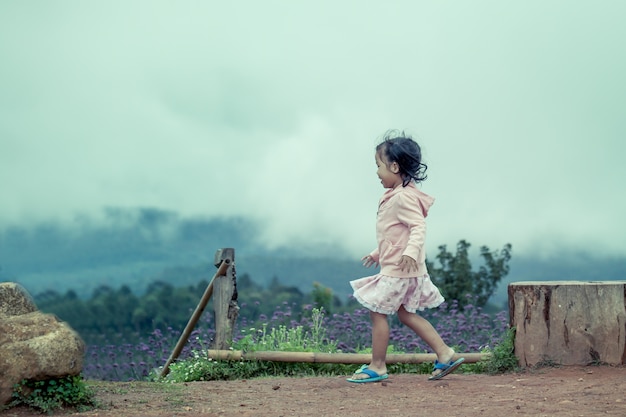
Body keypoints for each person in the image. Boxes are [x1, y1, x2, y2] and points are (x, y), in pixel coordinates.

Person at [347, 130, 464, 383]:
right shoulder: (399, 194)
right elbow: (395, 234)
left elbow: (418, 226)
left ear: (394, 166)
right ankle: (445, 353)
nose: (376, 172)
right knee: (405, 314)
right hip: (402, 267)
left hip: (400, 269)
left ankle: (377, 365)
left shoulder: (401, 197)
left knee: (377, 312)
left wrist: (410, 252)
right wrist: (378, 253)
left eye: (378, 166)